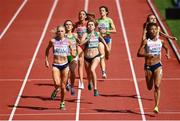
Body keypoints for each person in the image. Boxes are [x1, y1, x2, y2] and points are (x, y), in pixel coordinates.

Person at [137, 23, 170, 113]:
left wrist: (167, 53)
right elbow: (138, 53)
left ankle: (156, 106)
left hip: (157, 65)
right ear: (149, 31)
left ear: (157, 30)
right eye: (152, 29)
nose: (154, 31)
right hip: (148, 66)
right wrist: (147, 54)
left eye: (155, 29)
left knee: (157, 85)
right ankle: (148, 79)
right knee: (149, 87)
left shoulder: (161, 41)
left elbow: (166, 48)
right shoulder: (146, 41)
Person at [45, 25, 75, 110]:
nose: (60, 33)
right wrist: (46, 60)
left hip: (65, 65)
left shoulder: (68, 41)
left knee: (63, 86)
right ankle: (56, 90)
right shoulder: (53, 41)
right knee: (57, 84)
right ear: (57, 32)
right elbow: (47, 50)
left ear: (65, 32)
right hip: (56, 65)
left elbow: (72, 52)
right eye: (59, 31)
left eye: (62, 31)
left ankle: (62, 103)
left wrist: (72, 54)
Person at [79, 20, 109, 96]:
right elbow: (81, 43)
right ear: (87, 26)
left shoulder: (97, 33)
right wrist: (87, 39)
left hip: (96, 56)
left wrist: (106, 46)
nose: (90, 26)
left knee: (92, 70)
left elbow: (102, 39)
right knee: (88, 74)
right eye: (89, 25)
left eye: (92, 25)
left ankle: (95, 89)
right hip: (86, 57)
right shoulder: (85, 34)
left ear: (94, 26)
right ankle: (89, 82)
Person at [74, 10, 95, 89]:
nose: (81, 15)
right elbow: (71, 33)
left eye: (83, 14)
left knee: (87, 68)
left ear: (85, 16)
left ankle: (89, 80)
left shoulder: (88, 23)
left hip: (88, 46)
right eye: (80, 14)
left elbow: (94, 25)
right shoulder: (76, 24)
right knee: (80, 63)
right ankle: (81, 82)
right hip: (79, 45)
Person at [97, 6, 116, 79]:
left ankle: (107, 54)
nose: (101, 12)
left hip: (108, 38)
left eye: (103, 10)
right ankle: (103, 72)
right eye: (100, 10)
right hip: (101, 39)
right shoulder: (98, 21)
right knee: (102, 56)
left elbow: (114, 30)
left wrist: (107, 31)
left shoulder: (109, 20)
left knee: (107, 53)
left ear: (106, 12)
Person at [64, 20, 78, 96]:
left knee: (72, 71)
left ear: (72, 27)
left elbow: (79, 43)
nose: (68, 26)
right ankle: (67, 83)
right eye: (67, 24)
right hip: (65, 55)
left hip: (73, 55)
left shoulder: (75, 35)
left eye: (70, 24)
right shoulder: (63, 35)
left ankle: (72, 86)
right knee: (66, 72)